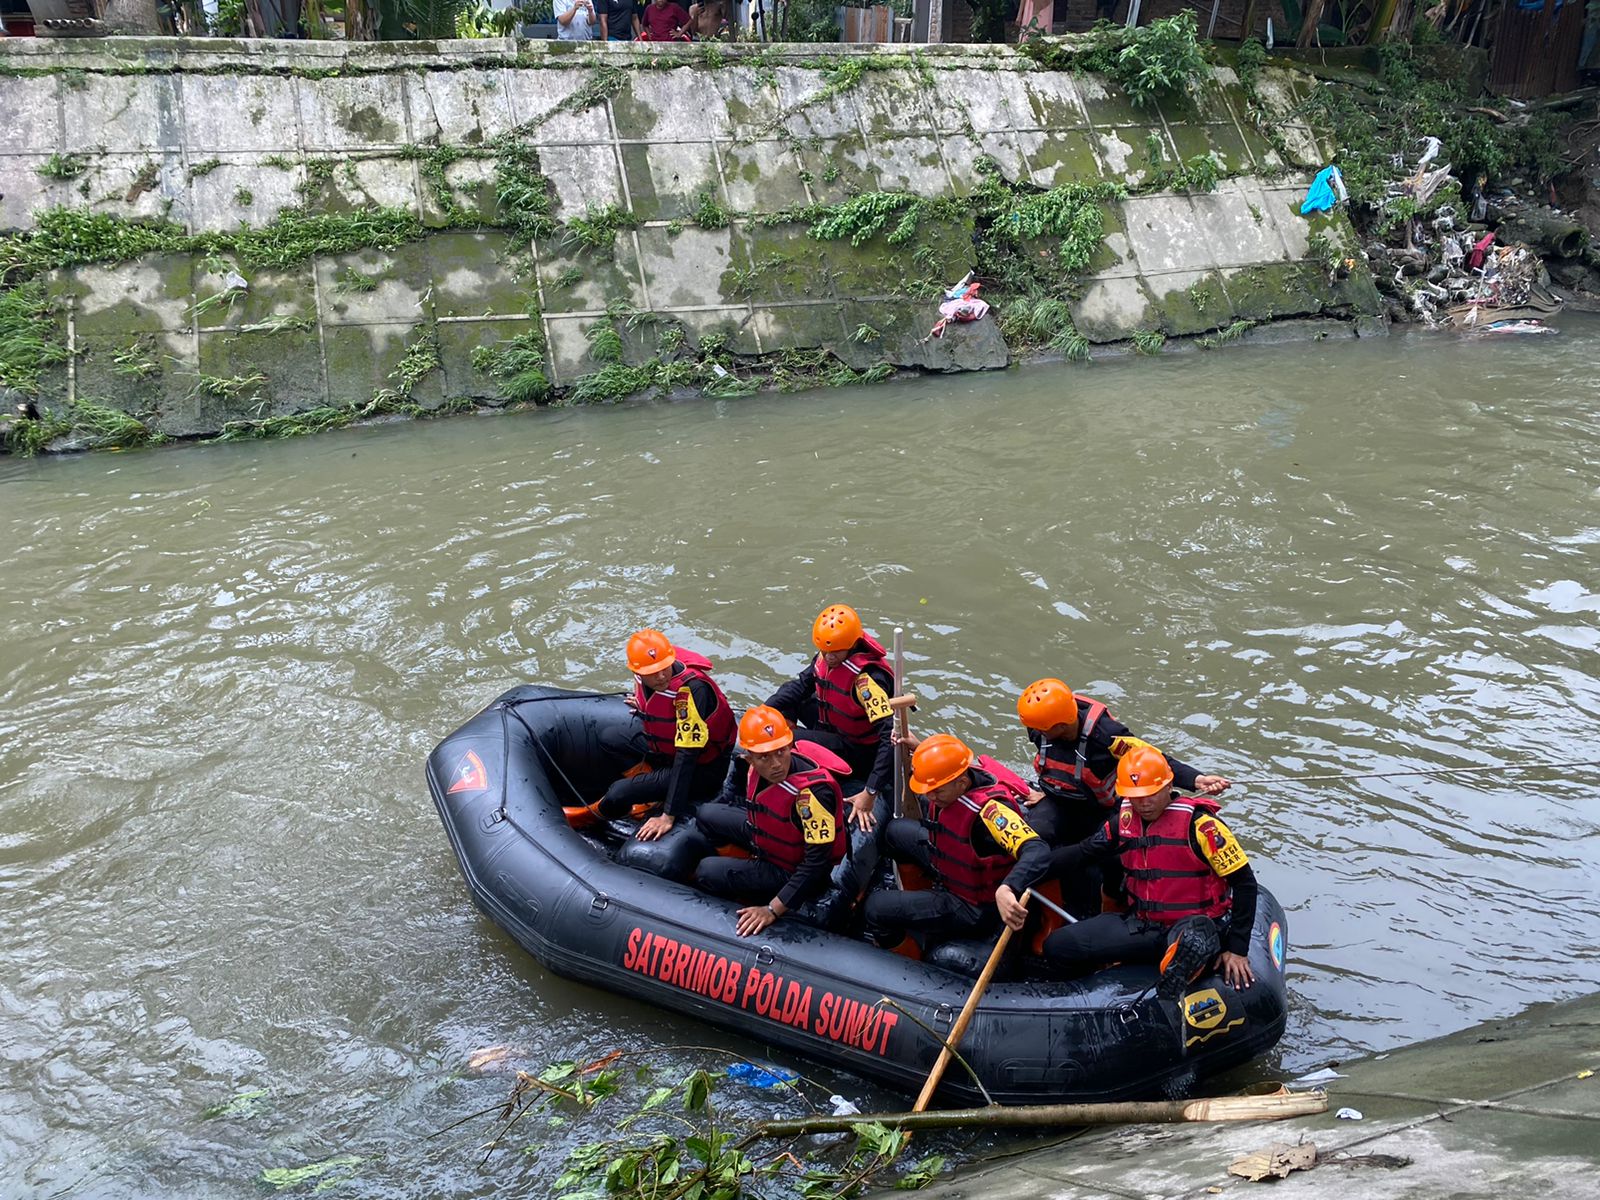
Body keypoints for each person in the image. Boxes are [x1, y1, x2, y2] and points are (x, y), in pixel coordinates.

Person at [1039, 744, 1259, 1032]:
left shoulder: (1203, 827)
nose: (1143, 803)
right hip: (1143, 924)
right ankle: (1088, 1000)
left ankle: (1188, 961)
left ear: (1169, 785)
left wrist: (1238, 949)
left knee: (1193, 938)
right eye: (1135, 796)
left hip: (1191, 923)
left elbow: (1244, 883)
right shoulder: (1124, 822)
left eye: (1151, 794)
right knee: (1058, 945)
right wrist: (1027, 867)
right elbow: (1084, 852)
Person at [862, 734, 1050, 951]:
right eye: (928, 791)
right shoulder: (959, 779)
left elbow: (1037, 849)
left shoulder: (991, 814)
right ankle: (919, 899)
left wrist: (1008, 888)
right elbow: (947, 768)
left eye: (938, 791)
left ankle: (910, 954)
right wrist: (922, 750)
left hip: (974, 906)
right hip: (949, 868)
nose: (931, 797)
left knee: (875, 908)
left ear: (962, 783)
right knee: (896, 832)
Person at [1015, 677, 1231, 847]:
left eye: (1042, 728)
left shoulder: (1107, 735)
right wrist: (1047, 793)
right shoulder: (1039, 728)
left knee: (1107, 858)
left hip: (1099, 812)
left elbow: (1152, 759)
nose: (1036, 732)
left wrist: (1197, 779)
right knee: (1034, 838)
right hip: (1056, 801)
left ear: (1061, 725)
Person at [693, 707, 852, 937]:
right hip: (766, 836)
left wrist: (772, 909)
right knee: (706, 814)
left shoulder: (813, 796)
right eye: (764, 757)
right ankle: (743, 863)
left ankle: (750, 891)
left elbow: (817, 863)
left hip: (790, 867)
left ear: (789, 747)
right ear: (750, 757)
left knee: (706, 871)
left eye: (780, 752)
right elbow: (738, 792)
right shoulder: (747, 763)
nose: (776, 764)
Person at [763, 604, 895, 834]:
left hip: (857, 750)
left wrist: (870, 791)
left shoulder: (868, 684)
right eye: (825, 651)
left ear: (852, 645)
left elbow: (888, 738)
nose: (828, 657)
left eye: (835, 652)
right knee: (792, 699)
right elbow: (800, 686)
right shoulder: (826, 656)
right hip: (833, 725)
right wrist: (764, 711)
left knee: (786, 739)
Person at [597, 629, 735, 841]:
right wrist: (644, 705)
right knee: (609, 738)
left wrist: (668, 815)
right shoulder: (645, 677)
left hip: (703, 768)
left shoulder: (692, 690)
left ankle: (597, 817)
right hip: (665, 753)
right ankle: (651, 790)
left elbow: (687, 754)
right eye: (653, 672)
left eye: (664, 668)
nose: (661, 676)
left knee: (617, 793)